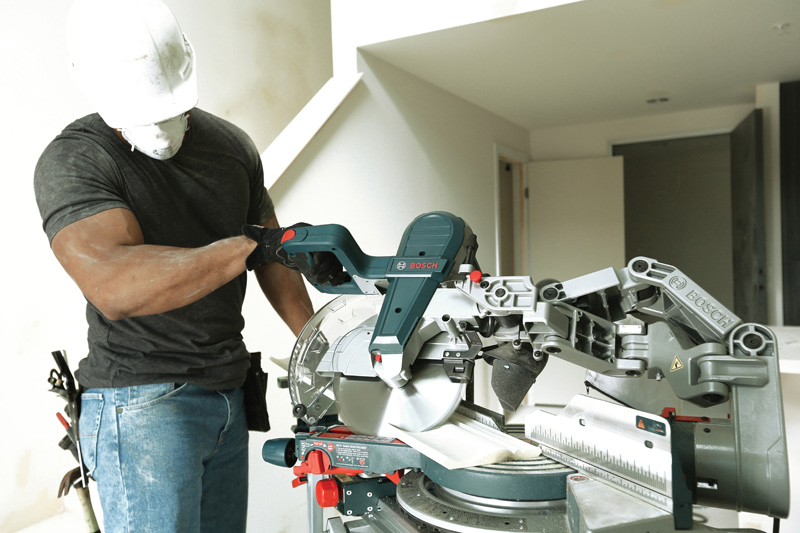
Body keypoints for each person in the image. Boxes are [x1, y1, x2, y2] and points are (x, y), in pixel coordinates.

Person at [34, 0, 341, 530]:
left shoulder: (233, 147)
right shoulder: (77, 159)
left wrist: (324, 352)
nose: (158, 130)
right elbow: (115, 284)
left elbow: (274, 257)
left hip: (227, 390)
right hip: (142, 404)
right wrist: (248, 246)